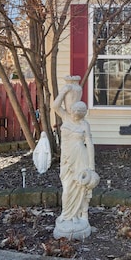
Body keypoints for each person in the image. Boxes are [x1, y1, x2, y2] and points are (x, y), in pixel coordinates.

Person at [52, 84, 99, 240]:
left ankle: (81, 216)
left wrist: (91, 167)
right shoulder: (65, 117)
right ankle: (67, 216)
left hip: (81, 158)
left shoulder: (85, 124)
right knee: (67, 189)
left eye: (81, 112)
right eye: (76, 110)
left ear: (84, 113)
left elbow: (90, 145)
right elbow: (55, 106)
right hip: (67, 160)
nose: (78, 113)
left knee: (82, 188)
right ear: (71, 110)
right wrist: (64, 91)